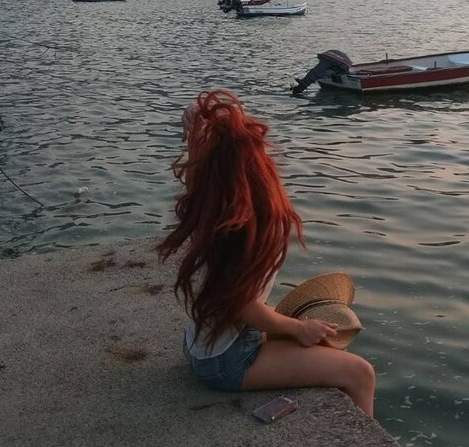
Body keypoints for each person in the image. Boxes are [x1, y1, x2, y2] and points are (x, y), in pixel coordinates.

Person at [157, 89, 376, 416]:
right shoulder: (246, 227)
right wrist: (299, 328)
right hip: (228, 360)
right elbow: (241, 305)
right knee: (360, 374)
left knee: (316, 349)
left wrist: (197, 128)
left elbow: (197, 177)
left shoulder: (211, 210)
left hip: (201, 345)